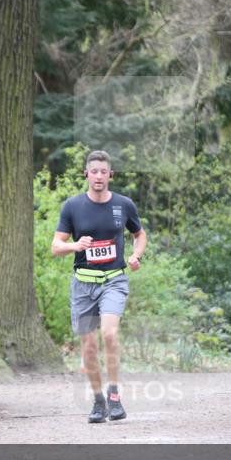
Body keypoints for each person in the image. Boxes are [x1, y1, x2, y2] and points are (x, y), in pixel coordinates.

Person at [52, 150, 147, 423]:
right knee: (89, 347)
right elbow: (56, 246)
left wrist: (136, 256)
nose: (98, 176)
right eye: (94, 171)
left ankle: (115, 395)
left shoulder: (123, 204)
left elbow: (139, 235)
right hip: (83, 284)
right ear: (86, 174)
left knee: (109, 334)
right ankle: (98, 401)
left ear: (110, 175)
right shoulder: (72, 206)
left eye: (103, 172)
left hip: (113, 281)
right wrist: (74, 245)